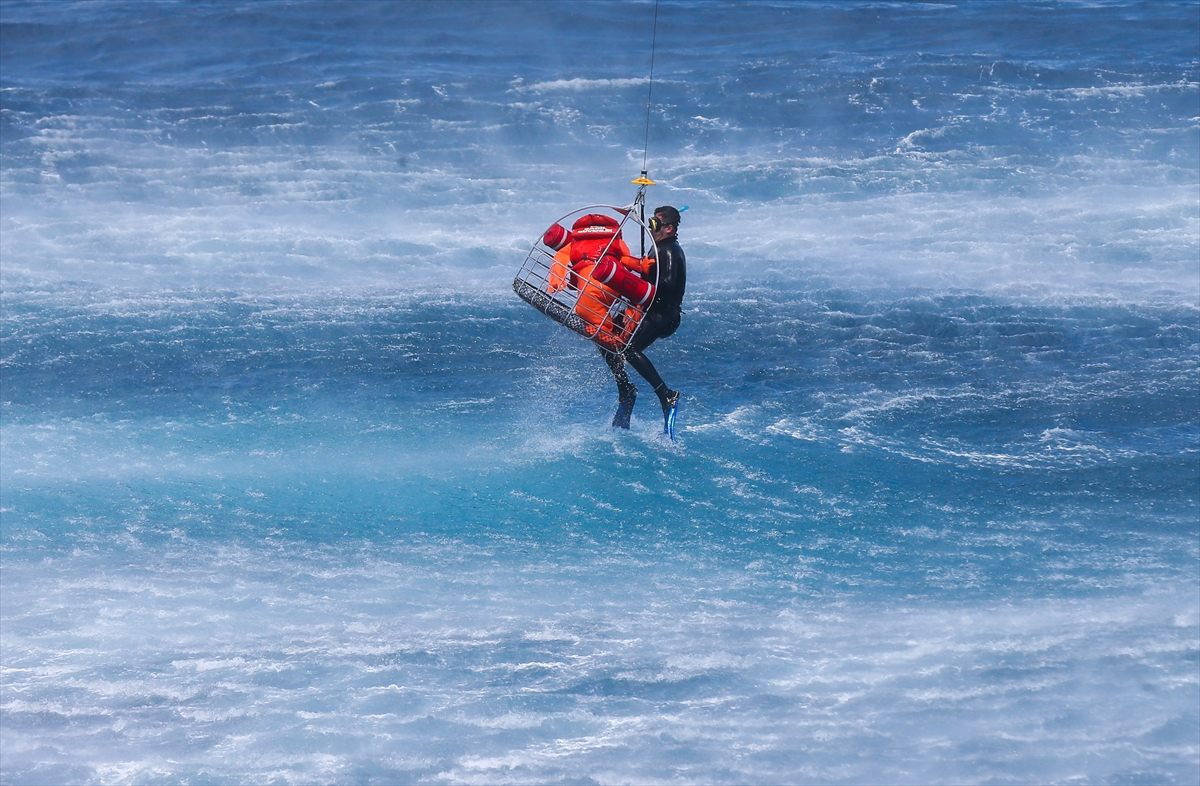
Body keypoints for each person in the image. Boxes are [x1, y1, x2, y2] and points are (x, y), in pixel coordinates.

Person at [602, 205, 686, 437]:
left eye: (656, 223)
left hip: (664, 314)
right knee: (604, 336)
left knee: (629, 348)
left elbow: (666, 285)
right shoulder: (656, 247)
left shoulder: (670, 250)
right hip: (646, 309)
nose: (651, 227)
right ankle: (625, 390)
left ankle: (666, 395)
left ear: (668, 228)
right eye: (651, 221)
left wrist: (633, 282)